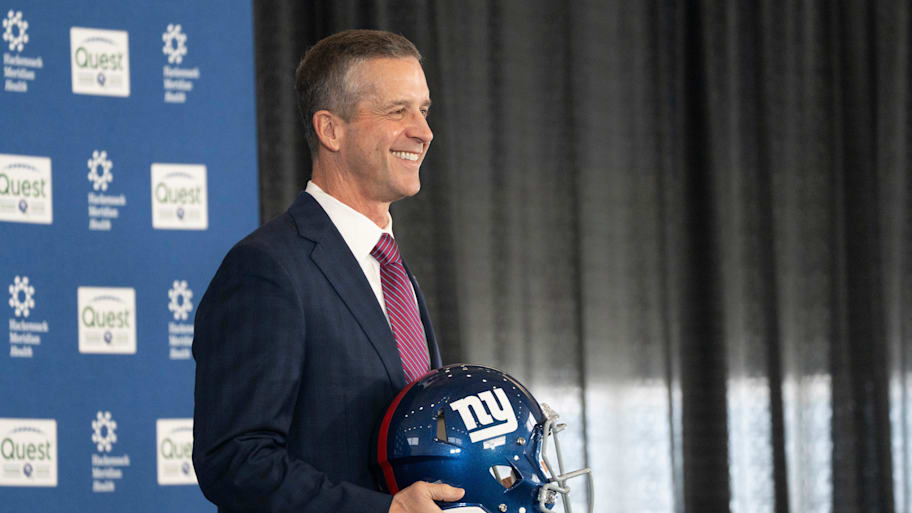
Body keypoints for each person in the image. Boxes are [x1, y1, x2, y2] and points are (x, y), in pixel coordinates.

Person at [192, 30, 464, 513]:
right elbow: (235, 461)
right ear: (330, 129)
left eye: (423, 110)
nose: (423, 131)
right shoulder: (267, 268)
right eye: (396, 111)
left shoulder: (394, 270)